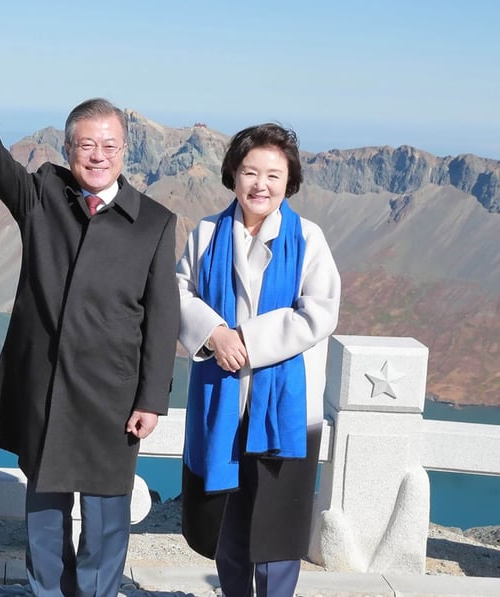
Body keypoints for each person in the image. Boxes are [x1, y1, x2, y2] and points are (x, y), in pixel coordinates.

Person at [0, 95, 181, 596]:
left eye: (109, 144)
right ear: (67, 148)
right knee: (45, 515)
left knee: (107, 519)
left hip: (113, 395)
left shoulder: (154, 222)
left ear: (125, 150)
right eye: (86, 144)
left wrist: (151, 399)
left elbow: (162, 318)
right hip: (44, 388)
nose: (97, 154)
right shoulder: (42, 196)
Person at [176, 123, 341, 597]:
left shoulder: (308, 238)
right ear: (233, 174)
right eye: (250, 172)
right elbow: (177, 292)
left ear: (290, 181)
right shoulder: (207, 233)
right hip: (222, 400)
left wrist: (242, 339)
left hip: (284, 409)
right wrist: (213, 333)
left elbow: (319, 312)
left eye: (273, 174)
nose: (260, 185)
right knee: (229, 524)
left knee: (277, 531)